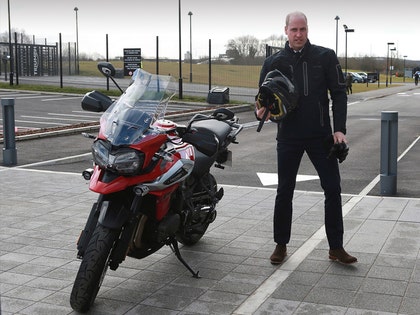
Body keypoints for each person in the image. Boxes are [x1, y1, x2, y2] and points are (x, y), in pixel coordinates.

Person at [256, 11, 357, 265]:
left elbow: (339, 93)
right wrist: (260, 111)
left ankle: (336, 247)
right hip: (288, 136)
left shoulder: (325, 56)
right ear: (286, 31)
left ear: (307, 30)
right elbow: (261, 98)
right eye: (294, 30)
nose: (298, 34)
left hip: (321, 135)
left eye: (302, 29)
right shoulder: (273, 62)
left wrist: (339, 129)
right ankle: (281, 244)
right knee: (284, 191)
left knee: (333, 189)